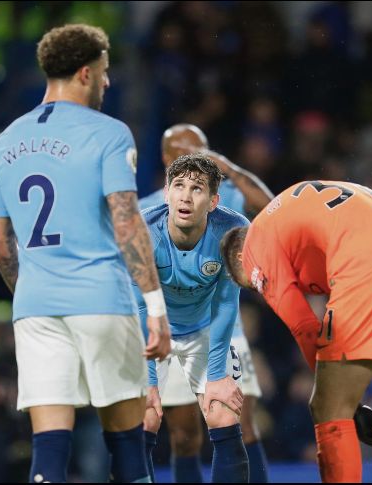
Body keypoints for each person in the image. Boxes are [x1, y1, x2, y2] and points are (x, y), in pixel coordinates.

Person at [0, 24, 170, 483]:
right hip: (102, 299)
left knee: (48, 449)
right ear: (86, 73)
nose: (108, 82)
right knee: (127, 440)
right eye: (105, 73)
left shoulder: (5, 140)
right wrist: (155, 307)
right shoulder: (108, 133)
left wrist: (33, 287)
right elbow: (127, 220)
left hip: (35, 307)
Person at [221, 181, 372, 483]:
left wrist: (347, 402)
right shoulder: (291, 209)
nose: (260, 288)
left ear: (238, 260)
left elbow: (303, 325)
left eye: (251, 285)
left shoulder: (253, 248)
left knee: (328, 408)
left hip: (369, 264)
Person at [139, 124, 273, 483]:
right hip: (157, 328)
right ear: (168, 170)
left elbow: (227, 301)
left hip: (213, 327)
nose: (186, 195)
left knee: (229, 413)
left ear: (212, 199)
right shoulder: (142, 221)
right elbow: (138, 304)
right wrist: (150, 378)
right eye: (179, 184)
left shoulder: (229, 211)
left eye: (204, 149)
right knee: (163, 424)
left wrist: (216, 376)